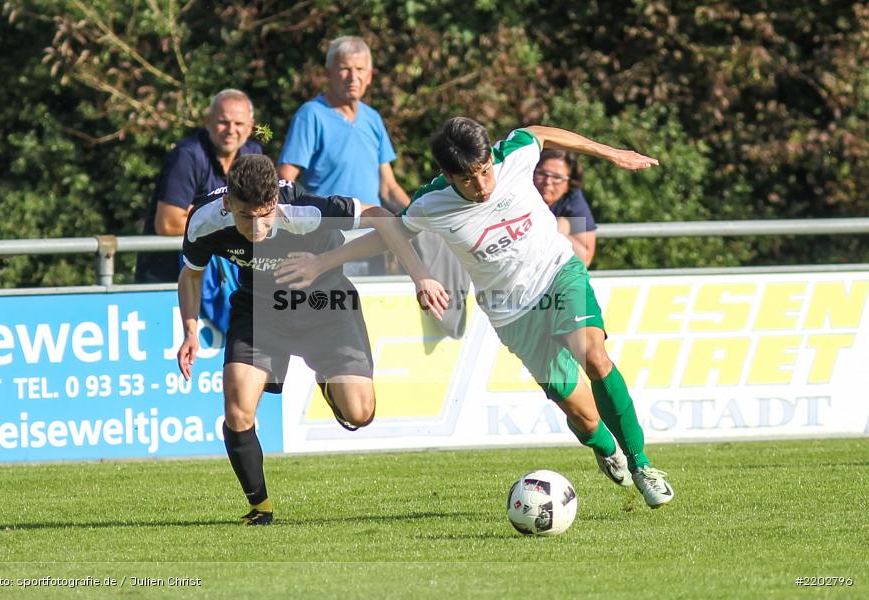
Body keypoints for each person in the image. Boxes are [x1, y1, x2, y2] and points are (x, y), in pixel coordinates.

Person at [276, 118, 674, 509]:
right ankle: (605, 447)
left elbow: (542, 132)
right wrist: (323, 261)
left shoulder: (513, 155)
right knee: (584, 417)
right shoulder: (431, 202)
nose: (481, 186)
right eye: (467, 179)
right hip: (510, 310)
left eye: (484, 172)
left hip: (557, 274)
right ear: (448, 176)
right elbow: (388, 234)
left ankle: (644, 466)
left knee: (594, 356)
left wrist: (611, 153)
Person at [176, 154, 447, 525]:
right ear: (228, 204)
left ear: (275, 203)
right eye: (245, 217)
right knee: (238, 408)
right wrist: (190, 330)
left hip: (326, 302)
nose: (256, 229)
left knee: (360, 413)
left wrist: (421, 276)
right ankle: (260, 507)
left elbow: (380, 216)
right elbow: (192, 275)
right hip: (260, 310)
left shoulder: (305, 211)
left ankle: (329, 384)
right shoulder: (205, 220)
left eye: (264, 216)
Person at [277, 35, 412, 276]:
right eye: (345, 69)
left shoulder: (373, 119)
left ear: (369, 76)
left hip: (370, 239)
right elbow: (285, 180)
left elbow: (389, 188)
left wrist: (417, 215)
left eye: (360, 69)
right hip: (327, 240)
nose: (353, 77)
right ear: (328, 73)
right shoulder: (311, 115)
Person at [136, 89, 262, 284]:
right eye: (223, 122)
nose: (231, 130)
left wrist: (199, 214)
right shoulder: (187, 156)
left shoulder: (253, 154)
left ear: (250, 127)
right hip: (169, 280)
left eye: (239, 124)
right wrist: (236, 215)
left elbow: (260, 216)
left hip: (226, 282)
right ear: (208, 121)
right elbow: (168, 224)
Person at [533, 149, 598, 267]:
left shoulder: (572, 202)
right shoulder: (521, 194)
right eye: (542, 174)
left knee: (564, 224)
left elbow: (585, 258)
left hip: (549, 272)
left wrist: (556, 230)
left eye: (557, 177)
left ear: (569, 183)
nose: (547, 181)